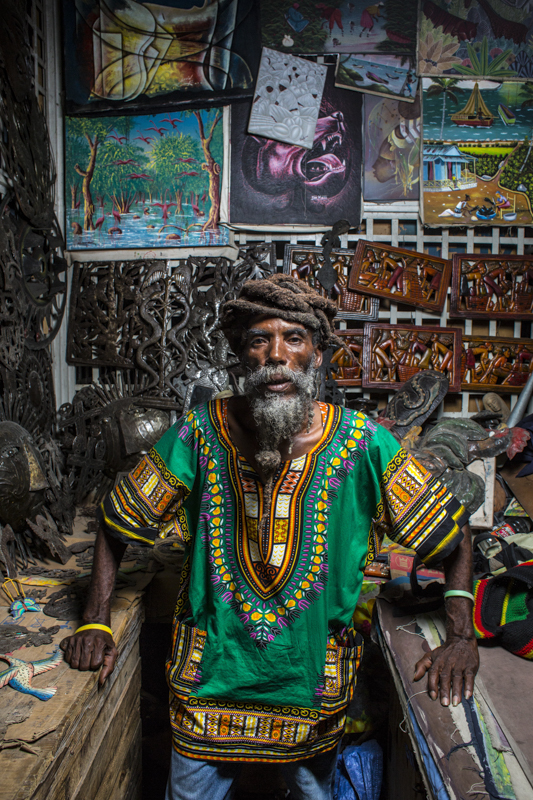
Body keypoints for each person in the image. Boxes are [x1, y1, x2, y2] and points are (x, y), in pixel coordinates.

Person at [61, 275, 478, 800]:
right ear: (242, 356)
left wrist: (461, 636)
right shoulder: (199, 432)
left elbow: (453, 536)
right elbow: (117, 518)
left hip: (310, 690)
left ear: (317, 356)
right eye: (260, 339)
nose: (276, 355)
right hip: (210, 686)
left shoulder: (365, 443)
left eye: (294, 339)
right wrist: (97, 619)